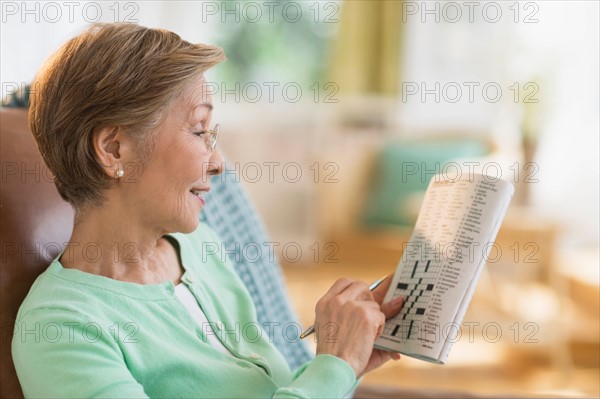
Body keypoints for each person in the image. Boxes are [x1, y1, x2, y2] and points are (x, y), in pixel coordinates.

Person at [12, 23, 405, 398]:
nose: (218, 162)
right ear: (114, 149)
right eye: (199, 131)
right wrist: (333, 368)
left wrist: (347, 359)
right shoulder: (63, 328)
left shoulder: (201, 247)